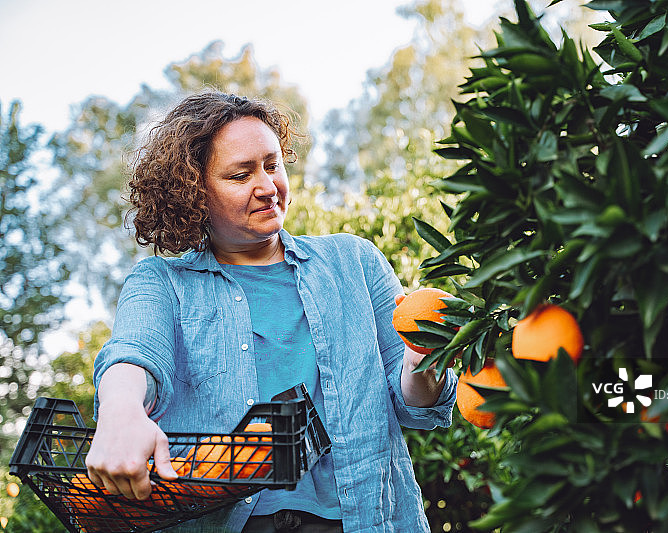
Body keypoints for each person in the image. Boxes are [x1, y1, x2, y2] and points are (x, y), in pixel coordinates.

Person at [86, 92, 457, 533]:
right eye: (240, 175)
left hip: (361, 520)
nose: (266, 186)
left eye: (272, 165)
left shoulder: (353, 262)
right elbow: (133, 355)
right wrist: (121, 409)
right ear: (194, 192)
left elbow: (416, 404)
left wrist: (422, 359)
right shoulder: (163, 283)